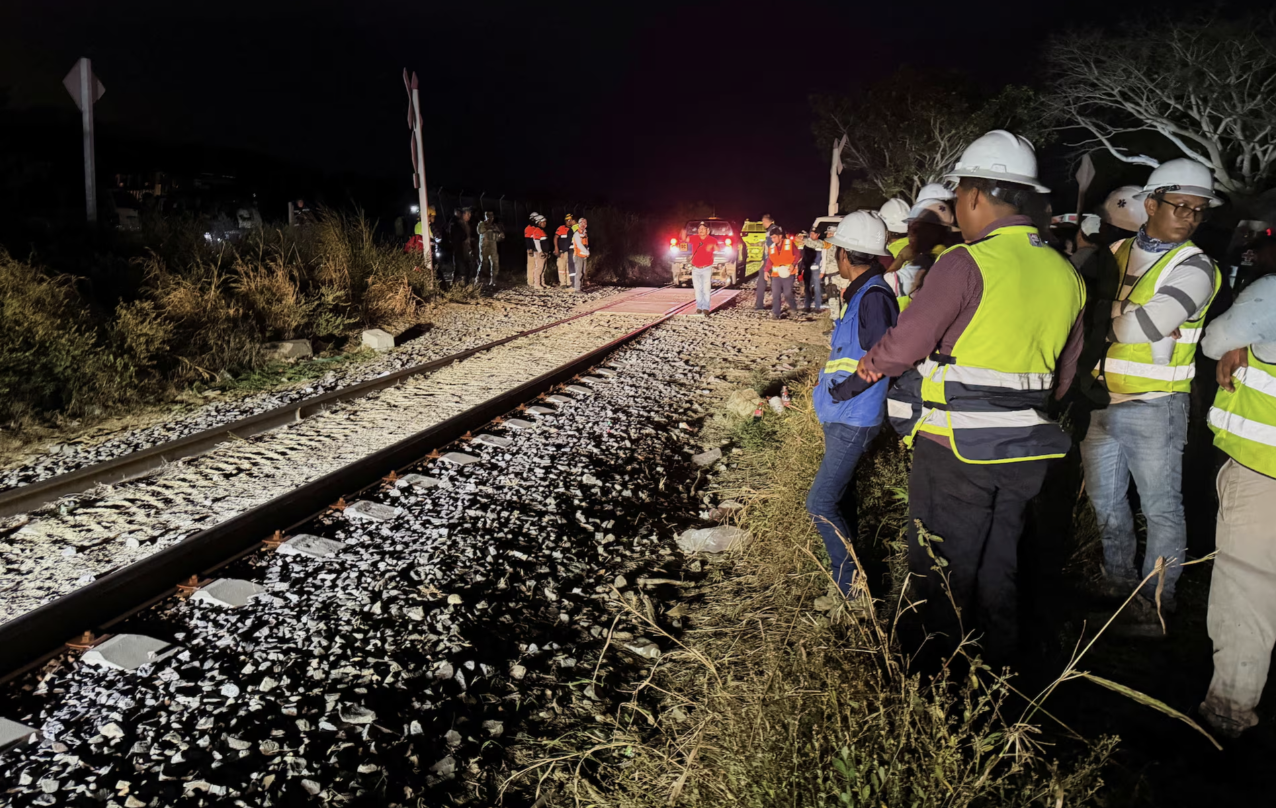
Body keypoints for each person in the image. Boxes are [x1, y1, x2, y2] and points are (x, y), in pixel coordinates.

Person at [857, 130, 1086, 662]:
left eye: (959, 194)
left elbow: (905, 345)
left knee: (941, 566)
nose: (958, 206)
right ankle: (997, 669)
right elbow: (1064, 375)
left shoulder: (965, 262)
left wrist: (870, 365)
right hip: (1027, 450)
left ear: (977, 195)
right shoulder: (1065, 272)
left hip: (954, 447)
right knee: (999, 562)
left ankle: (936, 678)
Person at [1079, 159, 1223, 622]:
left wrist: (1110, 315)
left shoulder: (1197, 266)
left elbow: (1146, 324)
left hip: (1156, 407)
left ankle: (1154, 604)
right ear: (1151, 203)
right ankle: (1117, 582)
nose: (1191, 217)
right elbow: (1103, 316)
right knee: (1105, 502)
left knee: (1162, 510)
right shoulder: (1118, 250)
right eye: (1181, 206)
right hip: (1101, 401)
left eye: (1200, 210)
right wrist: (1120, 316)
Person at [1198, 238, 1276, 737]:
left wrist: (1241, 342)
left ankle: (1228, 714)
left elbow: (1211, 342)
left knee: (1247, 595)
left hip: (1264, 475)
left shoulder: (1270, 297)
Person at [806, 212, 899, 609]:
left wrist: (844, 391)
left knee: (820, 502)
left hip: (854, 417)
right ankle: (852, 580)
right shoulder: (864, 293)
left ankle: (852, 591)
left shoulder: (873, 297)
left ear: (844, 255)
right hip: (843, 416)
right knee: (839, 499)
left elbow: (884, 355)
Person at [1068, 185, 1148, 412]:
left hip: (1091, 376)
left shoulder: (1096, 260)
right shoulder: (1159, 262)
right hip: (1141, 384)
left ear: (1104, 225)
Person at [883, 198, 956, 311]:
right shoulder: (947, 252)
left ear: (931, 232)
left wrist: (901, 258)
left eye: (916, 230)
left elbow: (885, 286)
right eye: (910, 229)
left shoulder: (928, 260)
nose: (910, 235)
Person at [760, 225, 801, 319]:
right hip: (776, 274)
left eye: (774, 237)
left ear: (780, 236)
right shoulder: (772, 248)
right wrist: (766, 271)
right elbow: (770, 260)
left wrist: (793, 265)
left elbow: (798, 255)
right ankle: (776, 313)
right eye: (771, 238)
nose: (773, 239)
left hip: (788, 274)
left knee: (787, 293)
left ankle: (793, 308)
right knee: (776, 294)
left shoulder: (789, 243)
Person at [687, 221, 718, 316]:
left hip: (706, 268)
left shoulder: (712, 240)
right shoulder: (694, 238)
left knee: (706, 289)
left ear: (708, 231)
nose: (701, 230)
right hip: (695, 268)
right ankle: (699, 307)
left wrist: (711, 247)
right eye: (699, 229)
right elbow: (685, 239)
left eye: (703, 229)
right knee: (697, 289)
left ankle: (706, 308)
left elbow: (717, 249)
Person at [754, 213, 776, 310]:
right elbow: (766, 247)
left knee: (763, 282)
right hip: (770, 260)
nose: (762, 223)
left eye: (763, 221)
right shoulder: (771, 230)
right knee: (773, 283)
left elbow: (771, 248)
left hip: (771, 260)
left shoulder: (773, 231)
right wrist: (763, 259)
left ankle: (759, 305)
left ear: (766, 221)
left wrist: (766, 260)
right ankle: (774, 305)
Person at [476, 210, 503, 285]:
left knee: (495, 263)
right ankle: (479, 280)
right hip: (484, 247)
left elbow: (498, 237)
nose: (491, 218)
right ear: (486, 217)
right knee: (484, 263)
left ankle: (493, 280)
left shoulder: (494, 226)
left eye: (492, 217)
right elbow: (480, 231)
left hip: (493, 246)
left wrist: (500, 236)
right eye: (489, 217)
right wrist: (488, 225)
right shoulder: (481, 224)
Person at [451, 207, 476, 282]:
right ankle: (459, 284)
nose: (469, 216)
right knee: (461, 267)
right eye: (468, 214)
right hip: (460, 249)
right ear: (463, 214)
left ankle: (465, 283)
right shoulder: (458, 224)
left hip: (466, 248)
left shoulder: (466, 224)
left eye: (470, 214)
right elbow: (457, 237)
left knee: (468, 266)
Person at [524, 212, 549, 288]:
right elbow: (528, 240)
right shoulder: (529, 228)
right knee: (533, 266)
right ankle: (532, 282)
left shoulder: (538, 229)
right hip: (535, 250)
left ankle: (540, 282)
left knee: (541, 267)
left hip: (538, 250)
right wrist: (529, 249)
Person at [555, 214, 576, 286]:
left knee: (569, 268)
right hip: (562, 251)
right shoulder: (561, 228)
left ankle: (569, 282)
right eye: (567, 220)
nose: (569, 222)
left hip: (570, 251)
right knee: (561, 267)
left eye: (570, 220)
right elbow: (555, 237)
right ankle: (563, 283)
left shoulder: (573, 229)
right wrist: (556, 248)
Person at [572, 217, 590, 291]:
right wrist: (587, 252)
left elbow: (586, 244)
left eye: (584, 223)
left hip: (583, 255)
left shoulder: (584, 233)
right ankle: (577, 288)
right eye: (581, 223)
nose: (583, 224)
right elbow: (579, 245)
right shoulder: (577, 233)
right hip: (578, 255)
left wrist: (587, 252)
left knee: (583, 272)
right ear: (578, 224)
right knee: (578, 272)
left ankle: (580, 286)